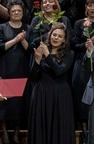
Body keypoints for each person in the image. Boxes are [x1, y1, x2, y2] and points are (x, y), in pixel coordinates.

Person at [0, 0, 32, 143]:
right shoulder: (1, 27)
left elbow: (30, 50)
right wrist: (16, 39)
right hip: (5, 66)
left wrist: (22, 40)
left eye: (19, 11)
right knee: (3, 101)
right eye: (13, 11)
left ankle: (16, 132)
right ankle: (3, 131)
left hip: (21, 67)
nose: (16, 13)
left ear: (23, 13)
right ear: (9, 13)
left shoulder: (28, 27)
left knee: (18, 102)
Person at [28, 23, 75, 144]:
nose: (56, 38)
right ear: (49, 35)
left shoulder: (70, 54)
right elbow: (33, 77)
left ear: (64, 39)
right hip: (41, 94)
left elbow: (59, 70)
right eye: (54, 34)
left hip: (60, 95)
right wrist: (37, 60)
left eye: (60, 36)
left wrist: (47, 54)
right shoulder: (41, 51)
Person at [72, 0, 94, 143]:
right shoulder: (79, 23)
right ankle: (85, 135)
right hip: (81, 64)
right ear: (86, 7)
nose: (93, 8)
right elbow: (73, 44)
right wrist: (85, 45)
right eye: (90, 5)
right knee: (81, 100)